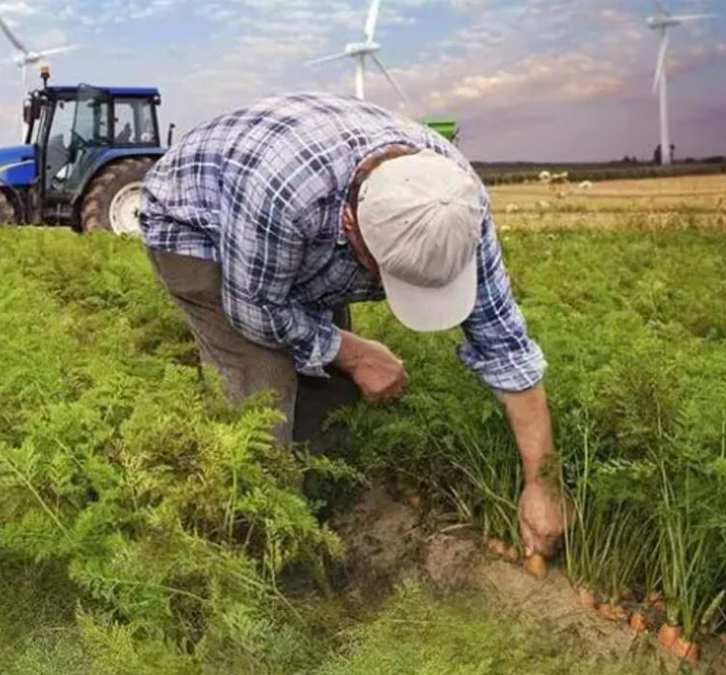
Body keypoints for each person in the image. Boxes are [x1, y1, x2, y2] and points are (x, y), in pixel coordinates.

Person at [139, 92, 566, 558]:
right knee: (261, 391)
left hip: (295, 227)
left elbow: (506, 346)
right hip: (198, 224)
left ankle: (329, 514)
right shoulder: (284, 195)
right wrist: (357, 353)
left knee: (329, 382)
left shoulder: (455, 203)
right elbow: (255, 310)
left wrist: (542, 483)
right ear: (351, 226)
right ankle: (261, 550)